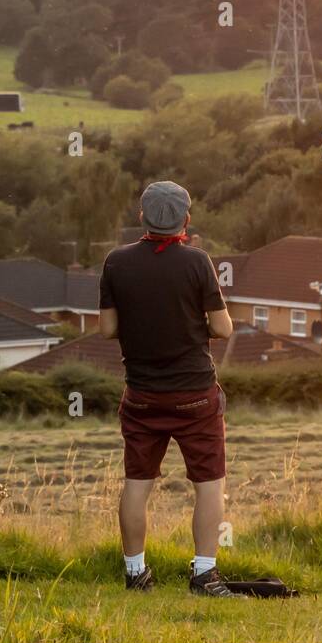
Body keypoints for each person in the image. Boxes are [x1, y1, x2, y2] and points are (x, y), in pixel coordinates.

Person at [99, 180, 239, 597]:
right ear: (186, 220)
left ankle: (136, 574)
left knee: (137, 483)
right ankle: (204, 575)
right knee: (209, 483)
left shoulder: (115, 262)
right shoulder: (197, 262)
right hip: (195, 394)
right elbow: (222, 327)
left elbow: (107, 328)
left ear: (142, 217)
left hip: (141, 395)